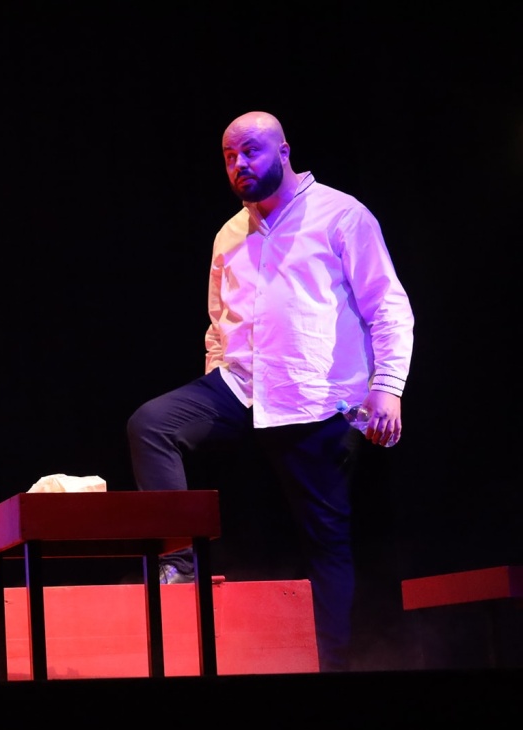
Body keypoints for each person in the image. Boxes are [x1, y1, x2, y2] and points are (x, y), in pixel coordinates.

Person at [126, 112, 414, 672]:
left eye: (251, 152)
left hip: (316, 400)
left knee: (325, 542)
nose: (240, 164)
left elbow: (387, 305)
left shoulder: (341, 215)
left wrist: (387, 388)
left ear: (284, 151)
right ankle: (179, 562)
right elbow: (218, 322)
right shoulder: (228, 235)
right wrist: (214, 372)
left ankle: (333, 666)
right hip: (241, 389)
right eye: (229, 157)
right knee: (152, 424)